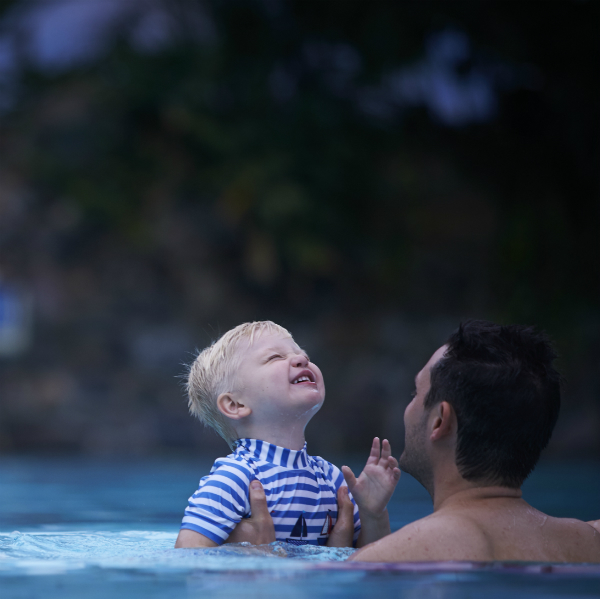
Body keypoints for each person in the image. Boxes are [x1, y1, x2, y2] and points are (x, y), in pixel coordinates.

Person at [235, 320, 600, 562]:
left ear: (440, 420)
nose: (408, 407)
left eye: (415, 393)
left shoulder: (393, 558)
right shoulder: (589, 542)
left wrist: (262, 558)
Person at [174, 320, 400, 549]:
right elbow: (187, 554)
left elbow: (374, 560)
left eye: (304, 356)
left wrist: (374, 514)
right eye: (275, 357)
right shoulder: (237, 478)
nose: (302, 360)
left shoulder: (331, 479)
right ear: (234, 404)